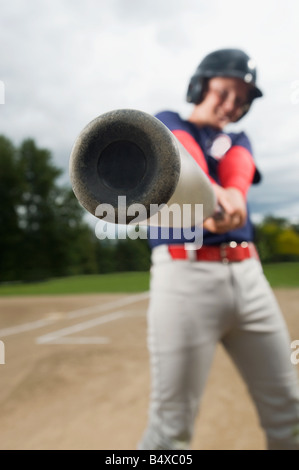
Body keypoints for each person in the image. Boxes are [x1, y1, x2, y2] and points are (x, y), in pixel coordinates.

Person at [138, 48, 299, 450]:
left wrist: (231, 196)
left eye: (241, 100)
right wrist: (209, 197)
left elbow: (238, 171)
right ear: (201, 84)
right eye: (226, 91)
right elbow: (183, 157)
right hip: (185, 275)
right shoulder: (168, 122)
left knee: (290, 413)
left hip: (249, 277)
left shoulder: (238, 138)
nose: (232, 105)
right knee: (170, 428)